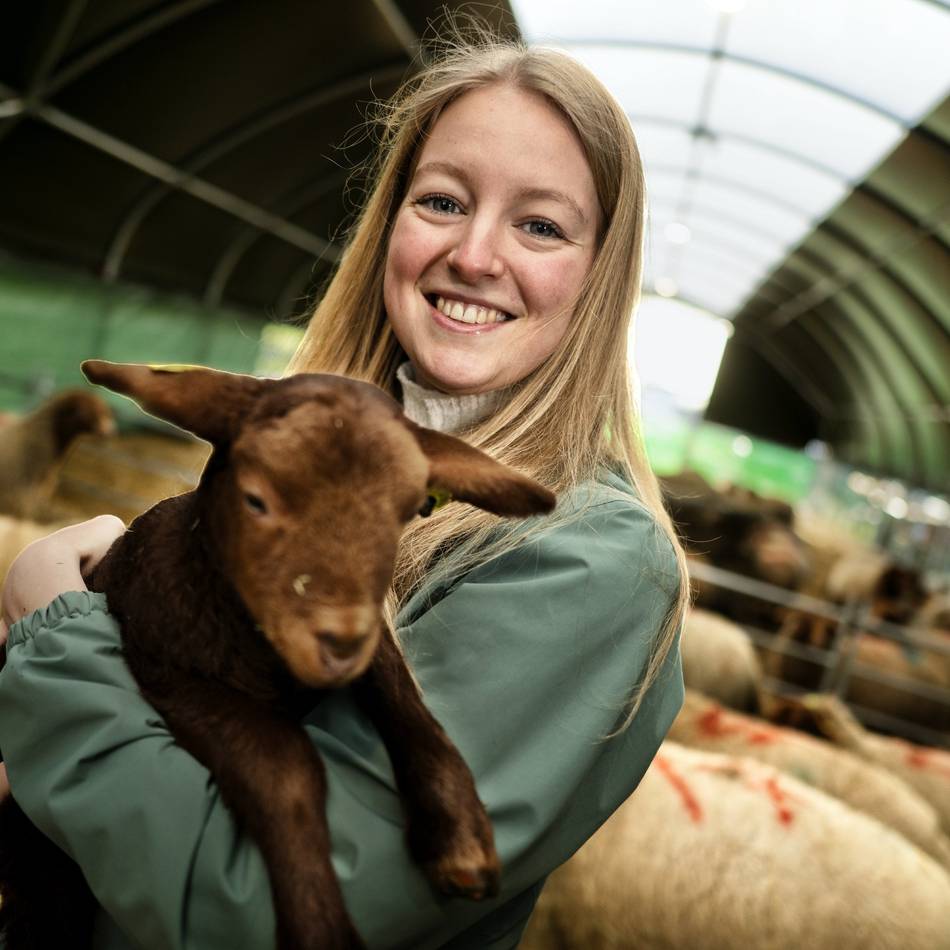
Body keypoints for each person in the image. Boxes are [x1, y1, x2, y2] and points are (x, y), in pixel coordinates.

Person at [0, 31, 689, 950]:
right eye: (442, 201)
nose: (475, 255)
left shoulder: (591, 564)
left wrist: (51, 629)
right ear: (390, 224)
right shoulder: (298, 445)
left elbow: (251, 914)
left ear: (601, 276)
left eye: (540, 224)